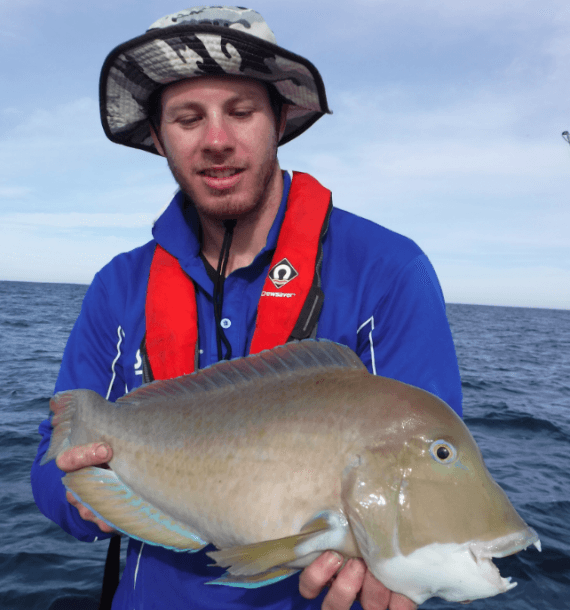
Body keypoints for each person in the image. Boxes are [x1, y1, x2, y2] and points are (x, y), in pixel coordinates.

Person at [31, 7, 463, 610]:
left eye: (241, 111)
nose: (216, 140)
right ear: (158, 137)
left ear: (279, 119)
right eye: (187, 118)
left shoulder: (388, 271)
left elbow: (431, 468)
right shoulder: (117, 286)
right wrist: (81, 494)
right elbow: (51, 464)